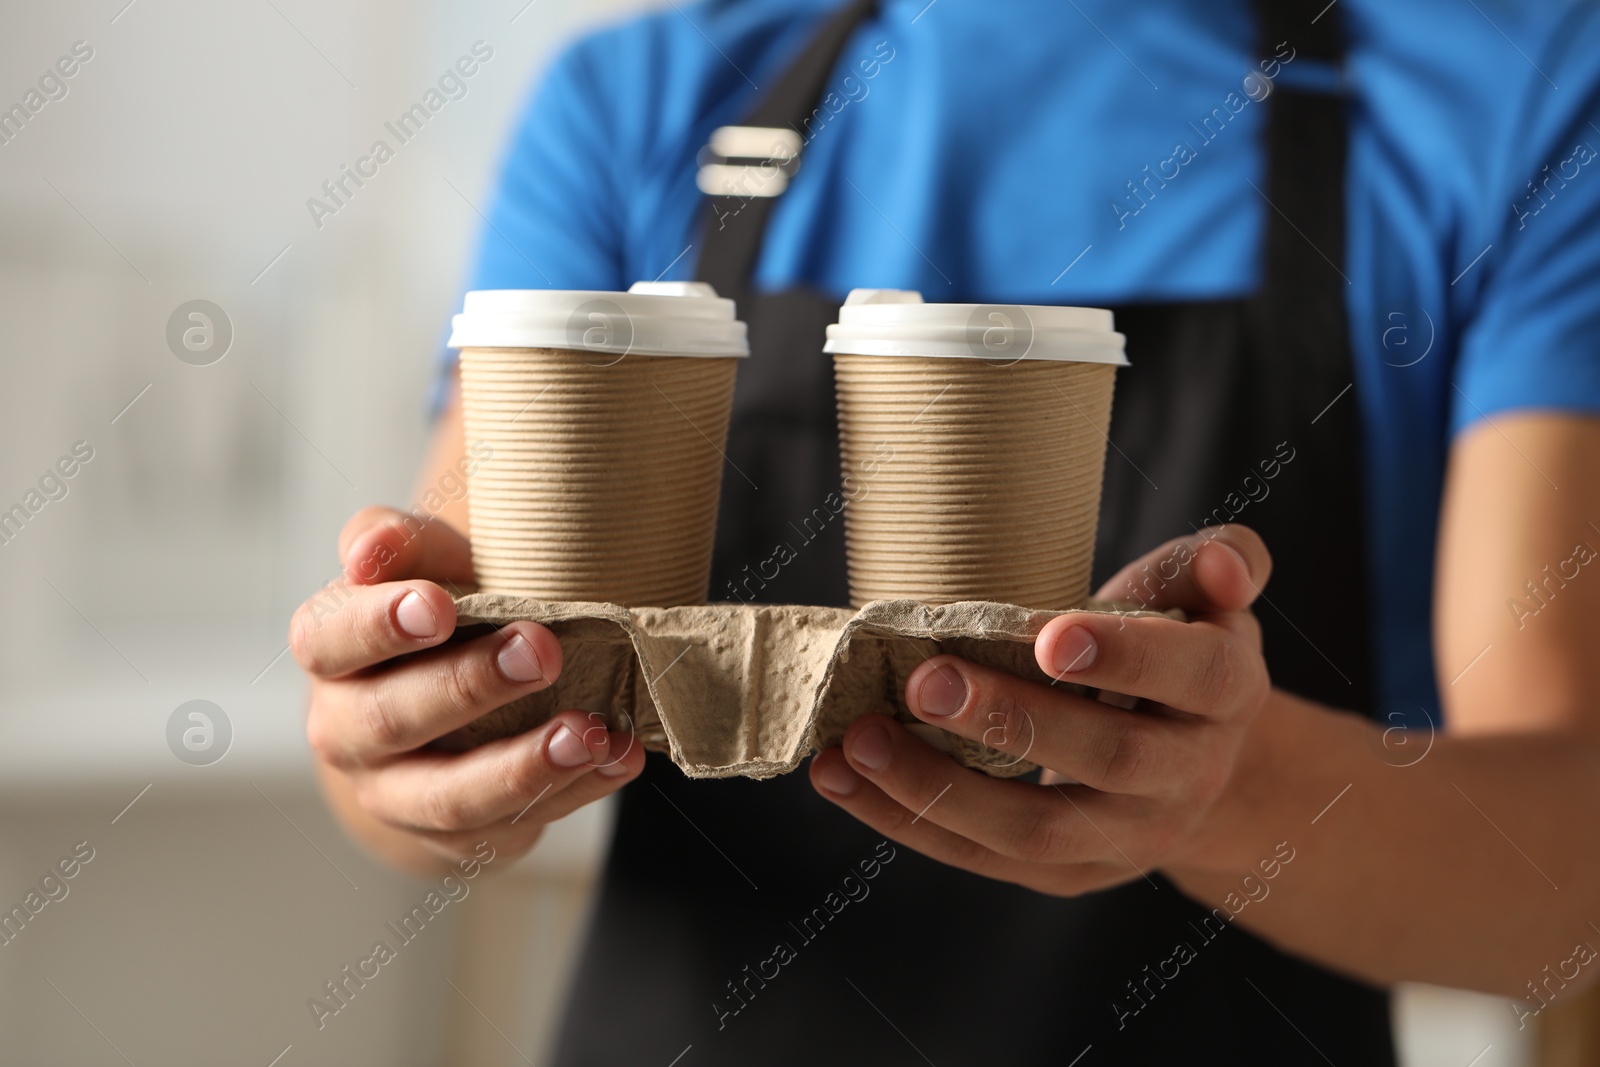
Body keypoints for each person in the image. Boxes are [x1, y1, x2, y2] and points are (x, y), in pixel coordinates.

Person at [289, 0, 1600, 1061]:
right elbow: (446, 712)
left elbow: (1567, 882)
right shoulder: (639, 104)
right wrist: (407, 755)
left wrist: (1224, 784)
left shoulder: (1522, 94)